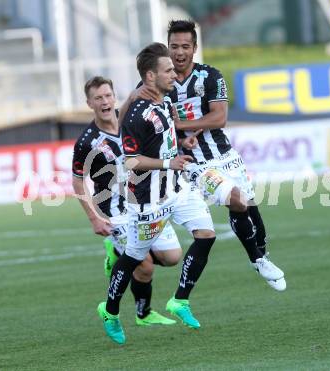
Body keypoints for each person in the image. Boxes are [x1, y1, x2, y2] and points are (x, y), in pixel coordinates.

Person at [98, 42, 219, 345]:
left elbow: (166, 133)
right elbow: (131, 161)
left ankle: (180, 300)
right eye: (167, 70)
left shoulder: (165, 99)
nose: (174, 74)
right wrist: (169, 161)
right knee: (134, 258)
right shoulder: (137, 115)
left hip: (177, 189)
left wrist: (181, 144)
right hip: (148, 199)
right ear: (150, 77)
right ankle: (110, 311)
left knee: (206, 234)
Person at [166, 19, 286, 291]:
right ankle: (256, 258)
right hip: (192, 162)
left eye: (185, 46)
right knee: (236, 200)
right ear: (168, 48)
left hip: (224, 155)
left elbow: (219, 117)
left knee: (257, 224)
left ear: (194, 48)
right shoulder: (160, 81)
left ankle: (261, 256)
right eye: (174, 46)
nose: (180, 52)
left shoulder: (210, 76)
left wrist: (183, 125)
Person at [72, 76, 181, 327]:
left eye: (108, 95)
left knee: (172, 257)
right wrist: (94, 218)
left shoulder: (132, 119)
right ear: (89, 103)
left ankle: (117, 254)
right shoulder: (87, 142)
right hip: (115, 209)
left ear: (114, 96)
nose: (105, 101)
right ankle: (144, 313)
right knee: (144, 266)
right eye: (98, 98)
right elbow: (78, 181)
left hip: (145, 199)